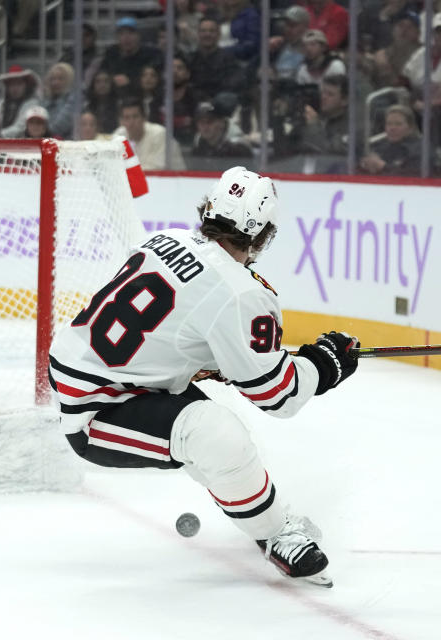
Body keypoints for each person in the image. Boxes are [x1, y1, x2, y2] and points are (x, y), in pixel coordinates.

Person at [49, 166, 361, 587]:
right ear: (264, 233)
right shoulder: (241, 292)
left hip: (87, 374)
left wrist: (210, 361)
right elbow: (278, 395)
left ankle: (257, 511)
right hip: (99, 410)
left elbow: (168, 330)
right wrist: (325, 364)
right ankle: (274, 532)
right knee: (214, 434)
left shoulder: (167, 238)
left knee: (207, 437)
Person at [98, 17, 163, 96]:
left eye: (131, 33)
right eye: (121, 33)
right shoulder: (111, 52)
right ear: (117, 37)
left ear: (139, 35)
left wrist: (131, 81)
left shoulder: (152, 54)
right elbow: (102, 72)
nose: (126, 37)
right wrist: (112, 79)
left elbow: (154, 78)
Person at [113, 99, 186, 170]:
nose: (131, 122)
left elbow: (156, 169)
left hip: (174, 179)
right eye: (126, 118)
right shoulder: (119, 135)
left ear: (144, 118)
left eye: (135, 117)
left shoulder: (159, 134)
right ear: (121, 121)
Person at [359, 104, 422, 175]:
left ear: (410, 127)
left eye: (398, 124)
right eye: (389, 124)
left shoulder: (420, 150)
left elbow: (414, 176)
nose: (392, 128)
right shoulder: (379, 147)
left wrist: (383, 167)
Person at [0, 64, 42, 138]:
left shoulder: (32, 104)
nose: (15, 88)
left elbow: (20, 128)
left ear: (26, 86)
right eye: (12, 84)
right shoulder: (1, 104)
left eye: (19, 84)